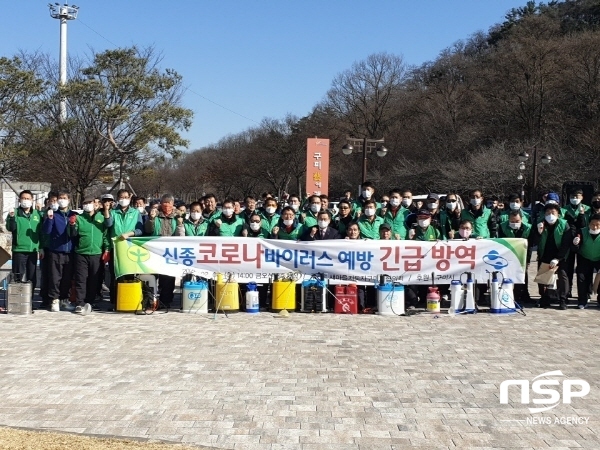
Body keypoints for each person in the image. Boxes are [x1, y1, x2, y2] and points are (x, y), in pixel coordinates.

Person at [69, 196, 109, 314]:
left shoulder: (101, 218)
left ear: (95, 204)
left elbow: (105, 235)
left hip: (96, 253)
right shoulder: (79, 218)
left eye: (90, 203)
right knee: (81, 279)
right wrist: (72, 225)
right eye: (85, 203)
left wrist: (107, 249)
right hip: (81, 253)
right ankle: (79, 303)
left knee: (94, 279)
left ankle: (90, 301)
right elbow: (72, 234)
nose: (88, 205)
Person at [104, 189, 144, 306]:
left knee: (129, 275)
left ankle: (129, 301)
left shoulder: (135, 213)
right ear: (117, 199)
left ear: (130, 198)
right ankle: (115, 302)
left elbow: (140, 230)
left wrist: (129, 234)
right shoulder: (113, 212)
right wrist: (106, 210)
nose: (124, 199)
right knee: (114, 276)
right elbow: (108, 224)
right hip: (115, 249)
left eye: (126, 197)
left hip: (129, 248)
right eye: (121, 197)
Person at [42, 191, 78, 312]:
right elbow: (47, 231)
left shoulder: (73, 214)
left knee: (67, 277)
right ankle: (54, 299)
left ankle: (64, 299)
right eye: (60, 198)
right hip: (56, 250)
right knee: (55, 277)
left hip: (70, 251)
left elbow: (76, 233)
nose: (62, 200)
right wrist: (49, 218)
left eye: (64, 198)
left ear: (69, 200)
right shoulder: (53, 214)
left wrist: (73, 223)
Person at [5, 190, 42, 304]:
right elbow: (10, 228)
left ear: (32, 200)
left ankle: (28, 301)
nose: (26, 201)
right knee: (18, 276)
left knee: (32, 277)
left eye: (28, 198)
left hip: (33, 250)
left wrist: (41, 247)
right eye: (23, 198)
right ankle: (17, 301)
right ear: (19, 200)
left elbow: (41, 232)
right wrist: (11, 218)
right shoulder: (14, 213)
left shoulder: (37, 214)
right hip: (19, 250)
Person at [535, 203, 574, 310]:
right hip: (545, 254)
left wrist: (558, 258)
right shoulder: (540, 223)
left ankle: (563, 299)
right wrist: (539, 232)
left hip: (560, 255)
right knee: (543, 277)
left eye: (553, 213)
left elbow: (566, 244)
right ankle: (544, 298)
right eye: (548, 213)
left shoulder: (564, 224)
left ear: (558, 214)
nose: (550, 215)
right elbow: (534, 241)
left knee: (562, 276)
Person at [144, 193, 180, 309]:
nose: (166, 205)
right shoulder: (155, 215)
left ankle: (166, 301)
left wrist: (180, 222)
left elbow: (180, 235)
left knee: (168, 278)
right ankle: (151, 300)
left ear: (173, 204)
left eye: (169, 203)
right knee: (152, 277)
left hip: (170, 252)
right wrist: (151, 219)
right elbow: (148, 230)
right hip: (155, 251)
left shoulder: (177, 217)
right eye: (164, 202)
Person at [498, 210, 536, 303]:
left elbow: (530, 245)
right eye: (512, 221)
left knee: (523, 274)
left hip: (523, 253)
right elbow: (501, 242)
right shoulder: (502, 226)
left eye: (517, 221)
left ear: (521, 219)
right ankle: (507, 293)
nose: (515, 223)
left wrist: (527, 260)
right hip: (507, 253)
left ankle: (523, 294)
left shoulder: (528, 228)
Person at [563, 189, 590, 297]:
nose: (575, 199)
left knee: (583, 269)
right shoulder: (564, 209)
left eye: (577, 196)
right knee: (568, 267)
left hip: (583, 241)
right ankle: (568, 290)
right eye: (572, 196)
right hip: (569, 241)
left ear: (582, 197)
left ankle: (585, 292)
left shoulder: (587, 209)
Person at [572, 214, 600, 309]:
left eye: (597, 225)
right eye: (592, 224)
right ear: (588, 224)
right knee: (582, 278)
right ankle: (582, 301)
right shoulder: (582, 232)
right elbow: (576, 247)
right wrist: (576, 243)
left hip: (599, 258)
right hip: (584, 257)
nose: (595, 227)